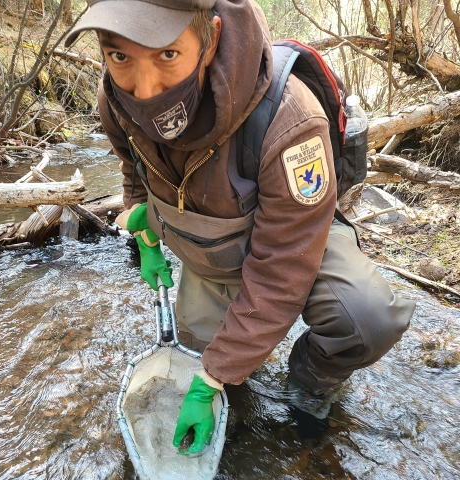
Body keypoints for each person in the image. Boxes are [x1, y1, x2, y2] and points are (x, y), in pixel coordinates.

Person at [65, 0, 416, 456]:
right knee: (219, 383)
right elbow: (135, 169)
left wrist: (212, 376)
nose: (145, 89)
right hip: (207, 252)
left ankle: (310, 385)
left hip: (293, 242)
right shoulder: (115, 99)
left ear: (209, 40)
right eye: (120, 56)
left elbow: (282, 270)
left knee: (367, 321)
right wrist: (145, 235)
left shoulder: (290, 119)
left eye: (167, 54)